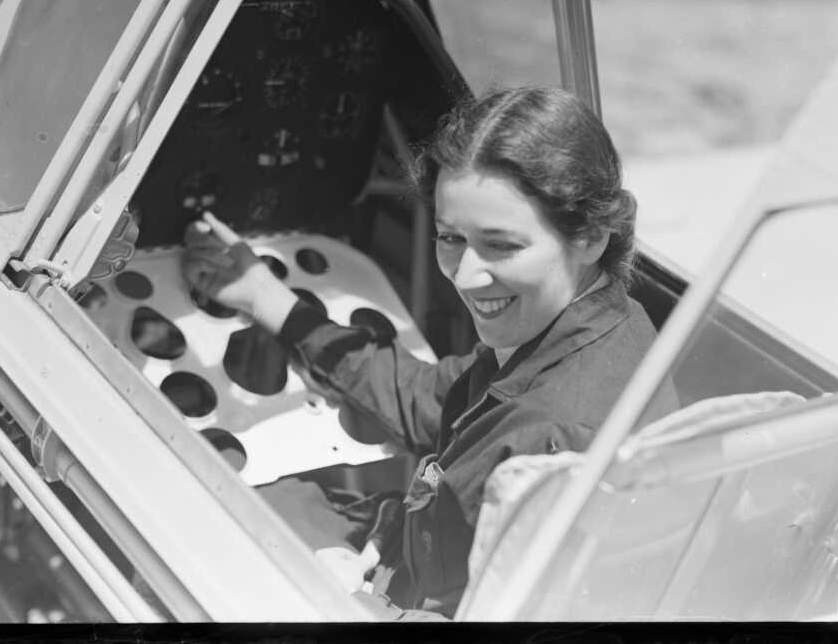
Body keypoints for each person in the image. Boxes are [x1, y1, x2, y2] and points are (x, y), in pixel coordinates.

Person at [181, 85, 680, 618]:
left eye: (502, 245)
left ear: (592, 236)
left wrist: (337, 598)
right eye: (450, 238)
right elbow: (430, 398)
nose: (465, 276)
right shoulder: (593, 322)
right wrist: (268, 298)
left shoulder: (555, 435)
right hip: (409, 555)